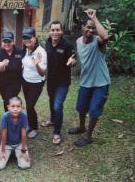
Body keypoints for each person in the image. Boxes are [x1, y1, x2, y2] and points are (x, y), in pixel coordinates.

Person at [69, 8, 110, 147]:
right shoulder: (79, 41)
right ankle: (82, 127)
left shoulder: (98, 42)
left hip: (101, 83)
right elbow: (81, 59)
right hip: (85, 81)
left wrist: (94, 18)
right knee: (81, 108)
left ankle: (88, 136)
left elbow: (105, 37)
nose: (91, 30)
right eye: (88, 27)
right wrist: (73, 62)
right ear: (82, 27)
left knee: (94, 110)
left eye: (93, 28)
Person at [43, 21, 76, 144]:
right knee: (51, 101)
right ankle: (52, 120)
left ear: (61, 31)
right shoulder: (47, 43)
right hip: (51, 80)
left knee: (58, 106)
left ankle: (57, 132)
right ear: (50, 32)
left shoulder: (67, 45)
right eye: (53, 30)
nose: (55, 32)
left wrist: (72, 62)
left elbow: (73, 59)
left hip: (62, 82)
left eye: (57, 30)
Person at [21, 27, 47, 139]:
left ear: (34, 38)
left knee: (30, 106)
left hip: (36, 82)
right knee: (28, 105)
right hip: (25, 80)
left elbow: (42, 74)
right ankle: (30, 125)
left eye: (29, 38)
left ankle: (35, 128)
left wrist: (36, 64)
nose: (26, 40)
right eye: (24, 38)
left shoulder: (41, 52)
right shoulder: (26, 49)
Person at [0, 97, 31, 170]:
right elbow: (3, 134)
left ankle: (16, 152)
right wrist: (2, 150)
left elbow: (23, 134)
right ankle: (10, 152)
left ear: (22, 108)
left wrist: (23, 150)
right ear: (8, 107)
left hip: (19, 143)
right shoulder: (5, 116)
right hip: (7, 144)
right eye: (13, 106)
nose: (15, 109)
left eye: (18, 106)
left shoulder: (23, 116)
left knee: (25, 165)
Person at [0, 32, 23, 112]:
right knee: (6, 100)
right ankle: (9, 117)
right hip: (2, 82)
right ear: (2, 42)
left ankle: (10, 117)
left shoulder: (20, 52)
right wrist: (3, 63)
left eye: (9, 41)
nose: (7, 44)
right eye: (5, 41)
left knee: (9, 100)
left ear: (13, 41)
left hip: (15, 82)